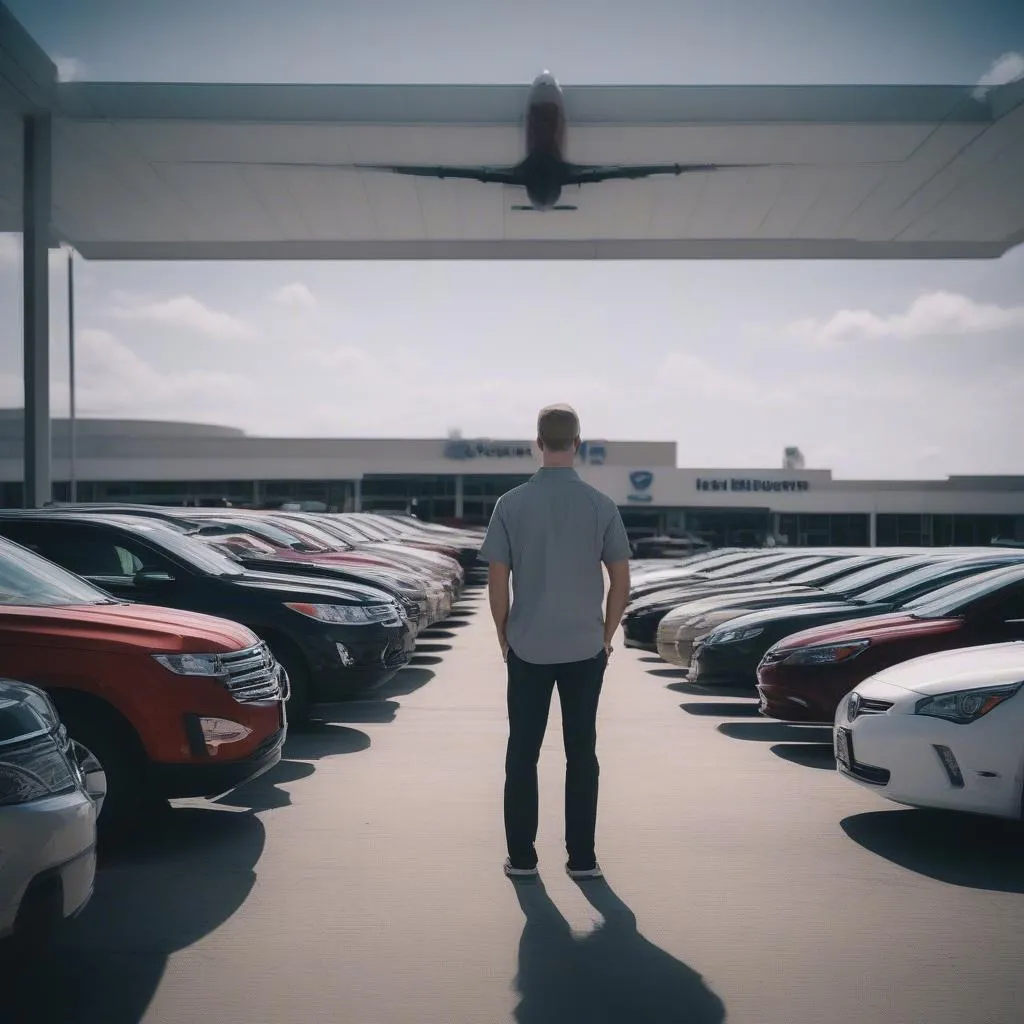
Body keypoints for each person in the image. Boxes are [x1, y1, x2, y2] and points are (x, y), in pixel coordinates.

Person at [479, 404, 632, 880]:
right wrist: (605, 636)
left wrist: (504, 637)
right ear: (578, 443)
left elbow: (498, 580)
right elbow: (621, 581)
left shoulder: (511, 504)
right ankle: (582, 859)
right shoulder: (600, 506)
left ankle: (522, 859)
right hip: (585, 648)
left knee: (521, 753)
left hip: (527, 646)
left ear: (538, 442)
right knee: (581, 753)